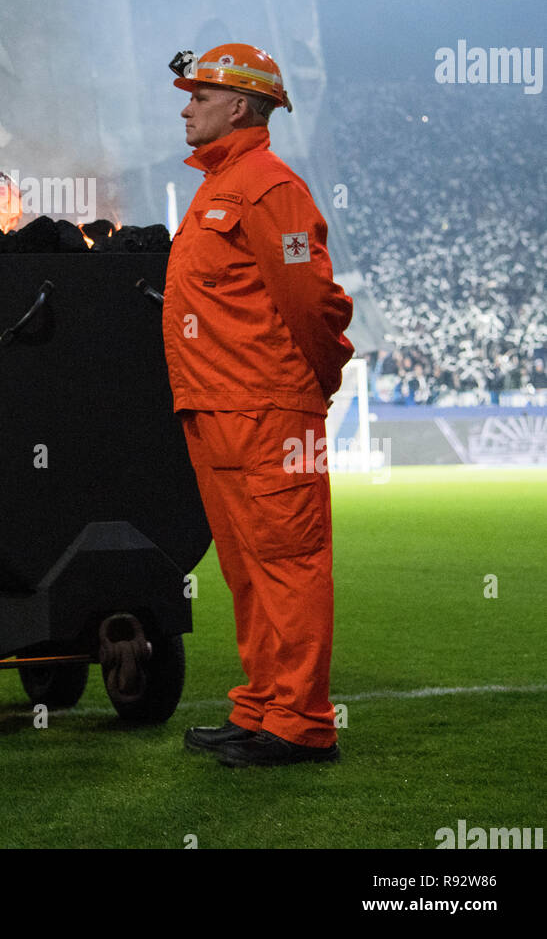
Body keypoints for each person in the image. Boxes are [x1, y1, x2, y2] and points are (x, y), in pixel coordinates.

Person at [162, 44, 354, 768]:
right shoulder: (227, 185)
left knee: (289, 561)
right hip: (219, 406)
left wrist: (316, 380)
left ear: (238, 105)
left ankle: (302, 723)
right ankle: (262, 706)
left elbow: (311, 300)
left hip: (266, 408)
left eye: (198, 96)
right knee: (248, 566)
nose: (186, 107)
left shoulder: (267, 188)